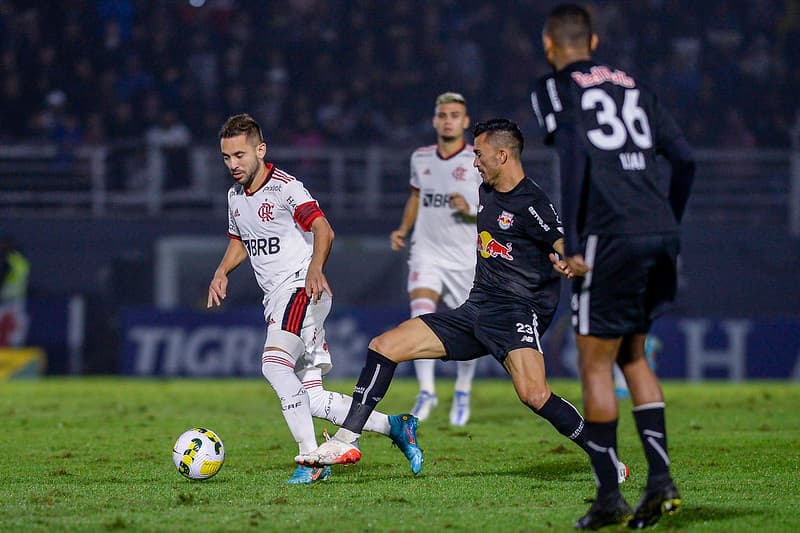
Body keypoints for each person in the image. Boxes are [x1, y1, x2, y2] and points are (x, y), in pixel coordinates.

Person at [296, 119, 628, 488]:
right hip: (476, 309)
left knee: (534, 394)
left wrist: (568, 261)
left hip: (516, 311)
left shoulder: (533, 203)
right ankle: (347, 440)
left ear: (503, 155)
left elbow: (560, 242)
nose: (475, 163)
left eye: (481, 155)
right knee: (384, 346)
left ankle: (603, 454)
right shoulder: (487, 192)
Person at [531, 4, 695, 529]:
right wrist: (669, 217)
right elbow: (685, 158)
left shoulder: (555, 88)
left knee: (595, 362)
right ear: (594, 42)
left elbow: (574, 153)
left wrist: (574, 238)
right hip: (658, 228)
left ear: (549, 44)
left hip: (611, 233)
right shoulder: (633, 83)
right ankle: (661, 484)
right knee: (633, 356)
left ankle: (608, 497)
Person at [207, 113, 423, 484]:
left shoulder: (286, 188)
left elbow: (323, 228)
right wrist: (222, 271)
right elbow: (240, 240)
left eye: (240, 155)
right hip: (277, 298)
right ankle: (396, 427)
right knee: (312, 400)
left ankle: (311, 463)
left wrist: (315, 267)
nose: (233, 165)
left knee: (274, 365)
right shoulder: (235, 197)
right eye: (227, 158)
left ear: (261, 149)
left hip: (302, 289)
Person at [390, 91, 482, 426]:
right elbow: (416, 197)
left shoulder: (476, 160)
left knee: (472, 328)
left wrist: (470, 210)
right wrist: (403, 229)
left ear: (465, 121)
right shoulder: (421, 157)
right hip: (426, 252)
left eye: (454, 115)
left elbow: (494, 207)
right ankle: (427, 390)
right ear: (434, 120)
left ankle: (462, 389)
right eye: (443, 115)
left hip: (464, 258)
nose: (448, 120)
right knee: (421, 316)